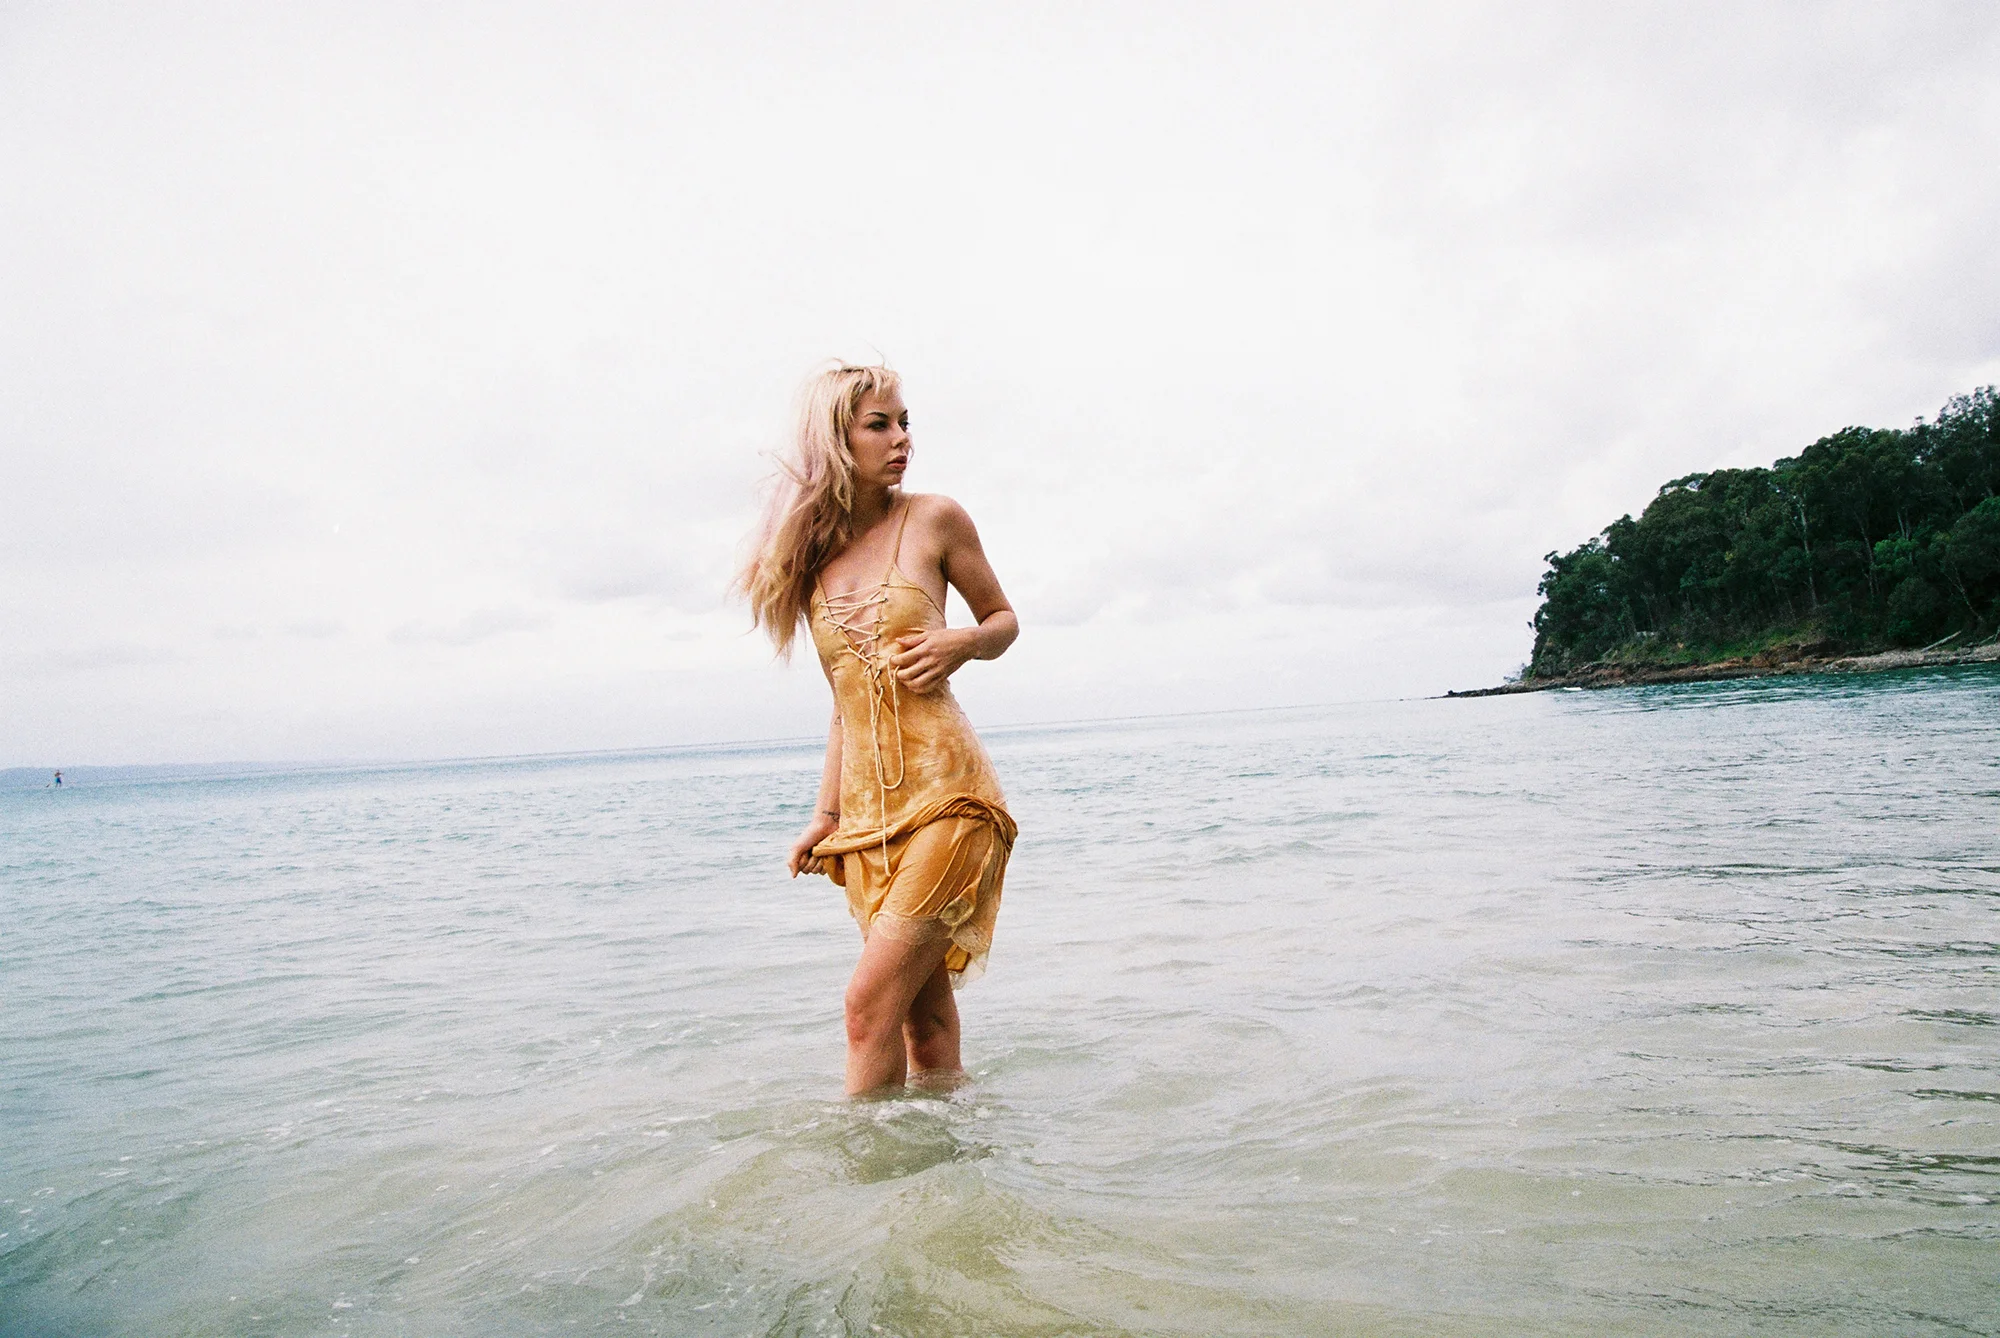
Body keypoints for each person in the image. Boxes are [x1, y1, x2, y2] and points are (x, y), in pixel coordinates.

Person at [736, 364, 1019, 1095]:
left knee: (866, 1008)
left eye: (904, 423)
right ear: (836, 440)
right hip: (869, 821)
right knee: (922, 1021)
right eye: (879, 425)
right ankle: (948, 1148)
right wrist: (825, 816)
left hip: (952, 799)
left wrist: (962, 642)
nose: (902, 439)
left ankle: (862, 1161)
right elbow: (844, 703)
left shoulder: (936, 518)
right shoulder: (811, 562)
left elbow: (1003, 621)